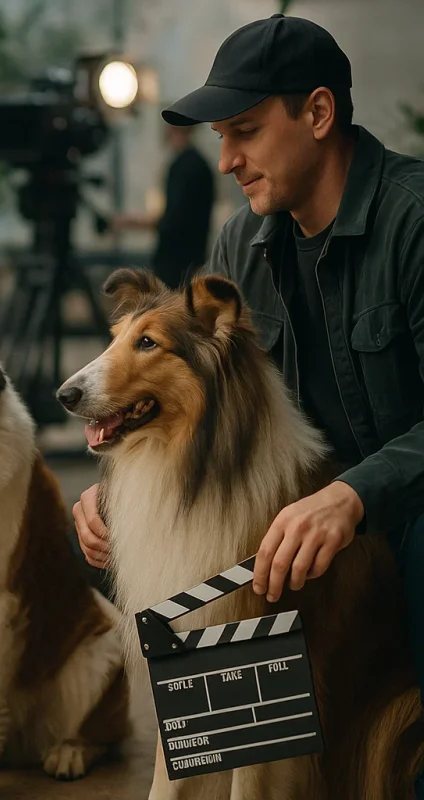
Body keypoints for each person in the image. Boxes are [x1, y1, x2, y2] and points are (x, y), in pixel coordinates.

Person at [74, 13, 424, 793]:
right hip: (302, 532)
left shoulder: (414, 219)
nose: (227, 160)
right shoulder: (243, 245)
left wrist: (352, 496)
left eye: (246, 131)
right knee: (192, 558)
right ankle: (248, 773)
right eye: (221, 137)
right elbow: (200, 411)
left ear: (319, 113)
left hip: (403, 516)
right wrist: (116, 493)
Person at [112, 122, 216, 288]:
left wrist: (132, 222)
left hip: (177, 262)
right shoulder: (198, 164)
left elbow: (173, 220)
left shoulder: (185, 167)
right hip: (190, 259)